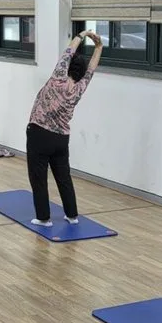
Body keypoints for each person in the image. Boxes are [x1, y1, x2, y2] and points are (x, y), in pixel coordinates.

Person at [26, 30, 104, 227]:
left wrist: (81, 35)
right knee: (64, 177)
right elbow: (91, 70)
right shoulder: (80, 87)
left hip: (39, 134)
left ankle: (43, 218)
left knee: (39, 177)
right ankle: (72, 215)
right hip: (61, 139)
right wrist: (99, 47)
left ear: (66, 67)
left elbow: (68, 53)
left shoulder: (58, 77)